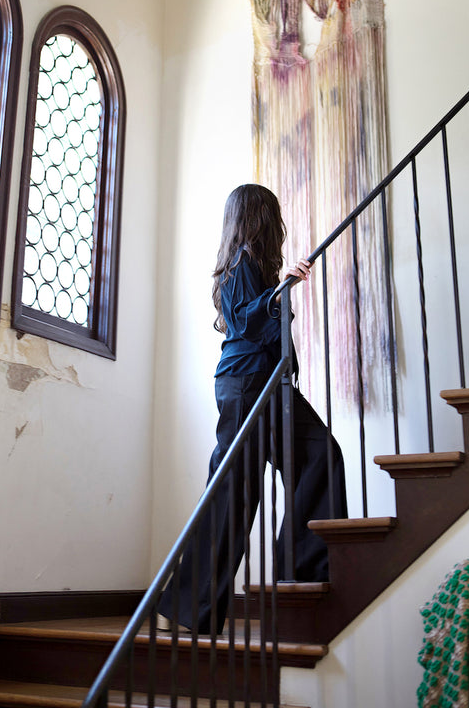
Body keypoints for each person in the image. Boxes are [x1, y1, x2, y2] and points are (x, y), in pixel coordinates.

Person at [158, 183, 347, 635]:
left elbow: (259, 317)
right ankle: (184, 609)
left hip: (266, 384)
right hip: (245, 386)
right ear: (258, 217)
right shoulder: (242, 261)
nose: (277, 225)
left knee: (320, 455)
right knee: (234, 496)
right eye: (272, 214)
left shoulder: (255, 268)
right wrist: (282, 292)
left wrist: (281, 289)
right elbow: (245, 319)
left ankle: (301, 576)